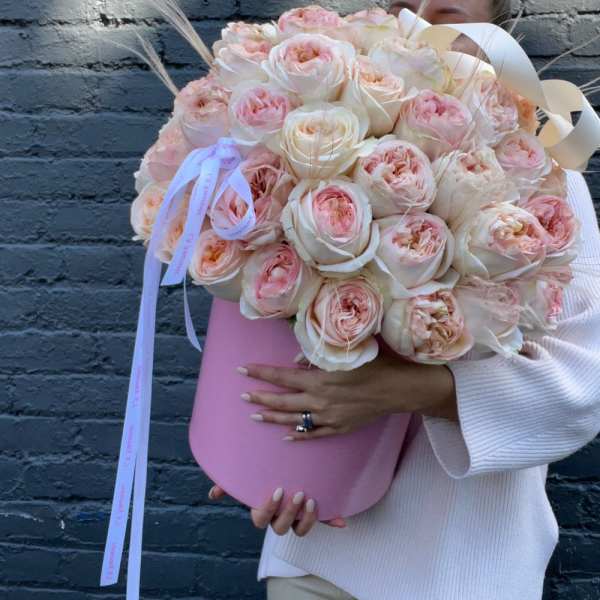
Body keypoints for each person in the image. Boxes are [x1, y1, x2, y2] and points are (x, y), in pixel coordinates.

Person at [210, 1, 600, 598]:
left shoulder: (541, 178)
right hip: (316, 556)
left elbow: (583, 383)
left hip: (462, 569)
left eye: (446, 11)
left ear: (494, 19)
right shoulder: (319, 134)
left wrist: (413, 390)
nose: (419, 20)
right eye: (401, 6)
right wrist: (257, 450)